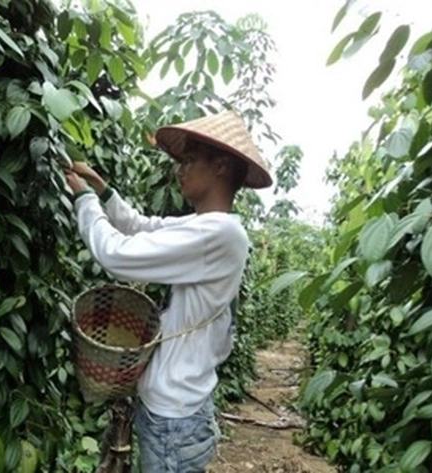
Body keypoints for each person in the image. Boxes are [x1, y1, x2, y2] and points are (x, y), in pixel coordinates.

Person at [63, 110, 273, 472]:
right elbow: (141, 227)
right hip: (174, 414)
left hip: (174, 421)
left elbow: (116, 254)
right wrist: (101, 187)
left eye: (190, 160)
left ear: (221, 165)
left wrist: (84, 201)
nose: (180, 169)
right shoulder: (205, 226)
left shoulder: (218, 235)